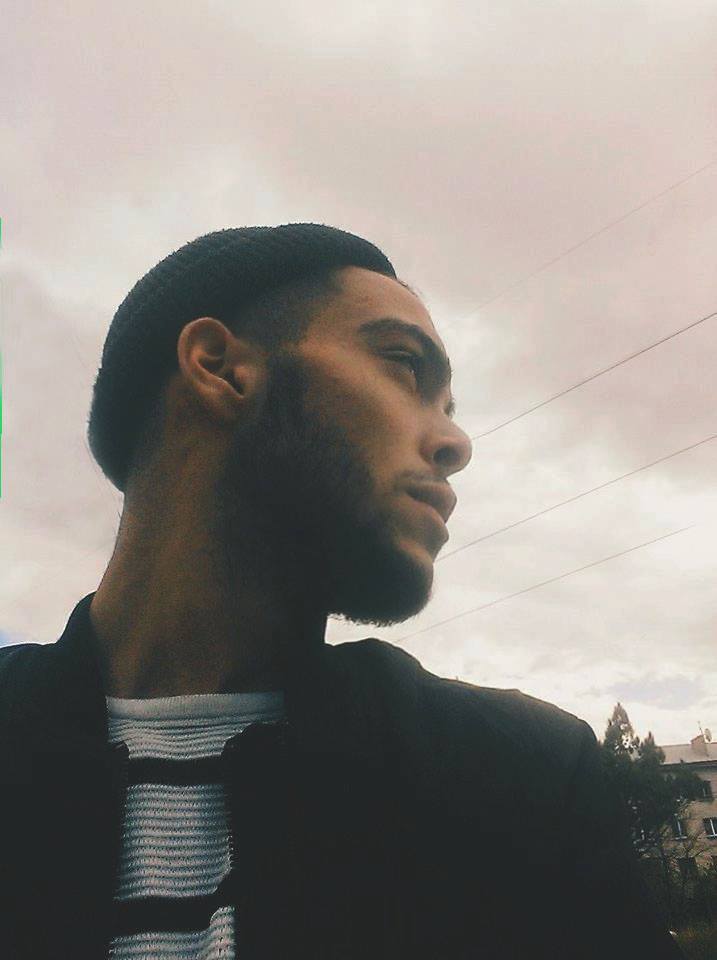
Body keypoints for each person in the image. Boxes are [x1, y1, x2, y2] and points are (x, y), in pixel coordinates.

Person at [0, 224, 682, 959]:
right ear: (220, 368)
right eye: (405, 367)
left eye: (451, 408)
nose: (456, 445)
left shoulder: (521, 780)